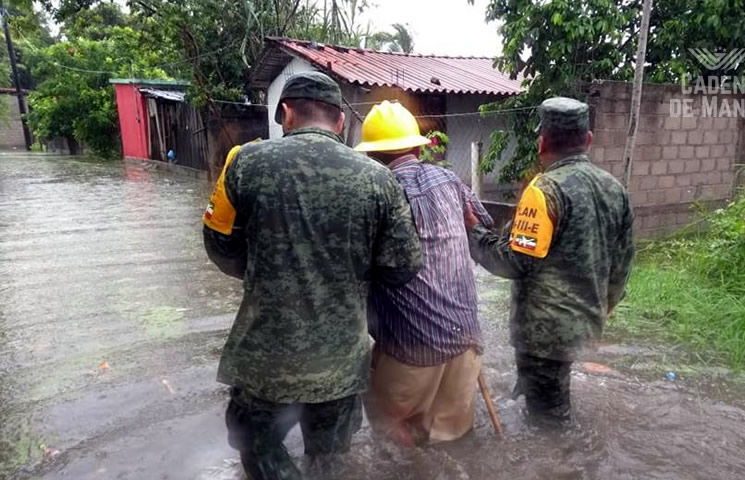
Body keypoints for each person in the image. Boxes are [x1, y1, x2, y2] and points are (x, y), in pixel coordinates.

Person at [202, 72, 422, 479]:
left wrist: (265, 271)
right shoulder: (379, 180)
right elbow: (404, 266)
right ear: (341, 121)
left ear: (285, 113)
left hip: (264, 361)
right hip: (339, 365)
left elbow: (219, 247)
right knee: (331, 464)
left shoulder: (244, 163)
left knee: (258, 448)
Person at [464, 97, 635, 425]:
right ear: (588, 140)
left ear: (541, 143)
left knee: (550, 426)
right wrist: (602, 306)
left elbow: (515, 262)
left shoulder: (544, 190)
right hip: (585, 323)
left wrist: (474, 232)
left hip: (544, 334)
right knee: (540, 397)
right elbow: (623, 262)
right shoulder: (615, 189)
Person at [355, 101, 494, 446]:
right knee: (454, 444)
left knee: (395, 444)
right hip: (465, 341)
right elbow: (481, 226)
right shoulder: (449, 179)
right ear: (419, 146)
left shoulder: (373, 194)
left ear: (372, 156)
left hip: (407, 350)